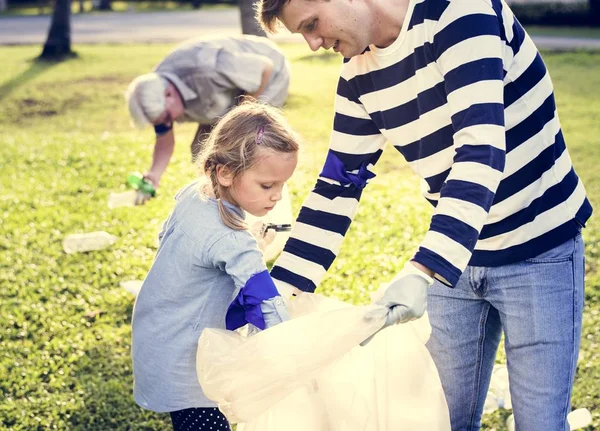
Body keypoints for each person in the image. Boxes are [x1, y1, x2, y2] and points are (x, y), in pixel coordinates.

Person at [256, 0, 592, 430]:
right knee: (438, 419)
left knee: (540, 424)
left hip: (538, 249)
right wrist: (278, 296)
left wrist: (423, 269)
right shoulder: (358, 75)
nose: (313, 43)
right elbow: (339, 189)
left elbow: (481, 152)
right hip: (457, 260)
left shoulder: (461, 13)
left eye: (312, 24)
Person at [131, 101, 300, 431]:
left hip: (158, 333)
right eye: (267, 185)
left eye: (282, 185)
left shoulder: (195, 195)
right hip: (191, 365)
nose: (278, 196)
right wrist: (298, 357)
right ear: (225, 172)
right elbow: (267, 306)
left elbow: (180, 240)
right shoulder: (234, 242)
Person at [125, 35, 291, 194]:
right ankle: (215, 200)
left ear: (168, 94)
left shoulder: (207, 69)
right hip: (221, 95)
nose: (169, 122)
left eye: (168, 117)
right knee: (201, 150)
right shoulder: (155, 93)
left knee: (244, 145)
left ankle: (260, 194)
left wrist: (240, 117)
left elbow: (264, 68)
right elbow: (164, 139)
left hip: (268, 75)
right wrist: (154, 176)